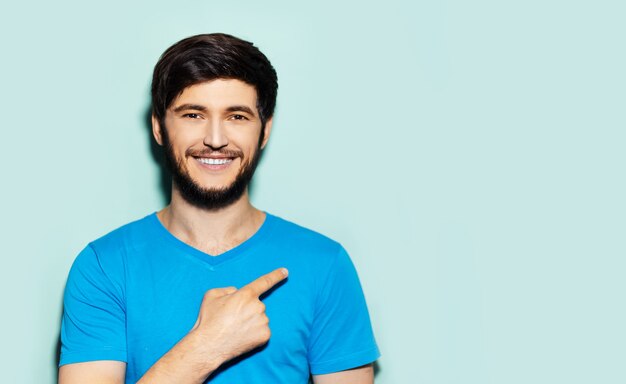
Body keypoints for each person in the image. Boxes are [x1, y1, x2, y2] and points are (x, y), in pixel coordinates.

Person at [58, 33, 379, 384]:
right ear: (159, 127)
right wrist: (207, 346)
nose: (215, 139)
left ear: (265, 131)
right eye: (193, 114)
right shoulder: (104, 266)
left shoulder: (325, 265)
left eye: (237, 116)